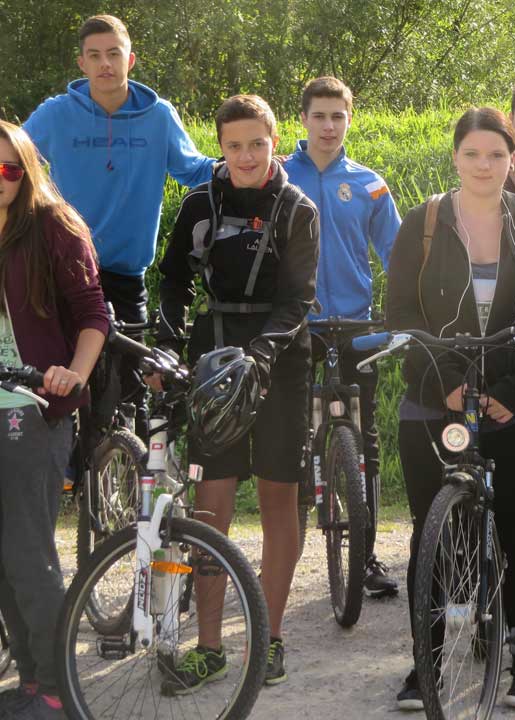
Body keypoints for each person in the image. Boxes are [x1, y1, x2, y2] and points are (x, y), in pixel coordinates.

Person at [385, 107, 515, 710]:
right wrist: (445, 385)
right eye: (472, 154)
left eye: (495, 154)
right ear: (455, 158)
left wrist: (514, 393)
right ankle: (427, 664)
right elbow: (401, 316)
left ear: (512, 160)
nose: (484, 165)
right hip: (433, 399)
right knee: (431, 537)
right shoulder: (424, 223)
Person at [153, 94, 319, 690]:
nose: (247, 156)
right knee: (211, 502)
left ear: (274, 142)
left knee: (278, 497)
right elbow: (173, 280)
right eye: (234, 146)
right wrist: (169, 344)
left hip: (280, 361)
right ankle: (209, 647)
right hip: (215, 357)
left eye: (257, 144)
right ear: (219, 148)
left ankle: (268, 639)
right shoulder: (200, 202)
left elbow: (298, 299)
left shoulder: (297, 208)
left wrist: (263, 356)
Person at [24, 14, 214, 441]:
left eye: (113, 54)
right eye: (94, 56)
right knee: (59, 384)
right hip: (63, 273)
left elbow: (193, 169)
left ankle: (128, 467)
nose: (105, 64)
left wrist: (244, 166)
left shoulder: (158, 116)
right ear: (82, 63)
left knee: (130, 390)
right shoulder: (56, 114)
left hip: (127, 275)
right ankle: (69, 463)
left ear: (130, 60)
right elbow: (14, 160)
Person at [0, 121, 109, 720]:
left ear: (27, 171)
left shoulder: (54, 226)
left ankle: (55, 685)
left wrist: (74, 374)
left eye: (9, 170)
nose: (0, 180)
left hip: (32, 406)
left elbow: (94, 315)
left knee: (26, 551)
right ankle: (29, 677)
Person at [284, 76, 402, 598]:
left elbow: (397, 256)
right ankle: (284, 550)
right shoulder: (279, 175)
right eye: (320, 116)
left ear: (350, 120)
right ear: (303, 119)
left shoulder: (370, 184)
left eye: (338, 116)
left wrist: (405, 312)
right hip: (295, 326)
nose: (329, 126)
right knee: (289, 435)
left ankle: (366, 553)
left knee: (364, 438)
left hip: (356, 325)